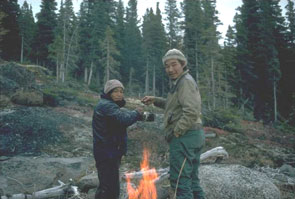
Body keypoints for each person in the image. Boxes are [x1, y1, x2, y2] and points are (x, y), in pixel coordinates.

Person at [142, 49, 205, 199]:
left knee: (180, 182)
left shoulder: (185, 82)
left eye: (174, 64)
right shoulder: (181, 82)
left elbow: (191, 111)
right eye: (167, 66)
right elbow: (175, 107)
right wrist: (156, 100)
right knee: (192, 180)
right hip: (192, 136)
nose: (170, 69)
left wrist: (177, 132)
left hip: (185, 137)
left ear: (182, 64)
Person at [92, 79, 143, 199]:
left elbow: (119, 118)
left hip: (108, 151)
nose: (119, 94)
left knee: (106, 185)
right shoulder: (106, 105)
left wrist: (134, 115)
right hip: (107, 152)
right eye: (115, 91)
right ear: (108, 93)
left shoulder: (109, 105)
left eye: (121, 91)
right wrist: (136, 113)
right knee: (110, 188)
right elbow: (123, 119)